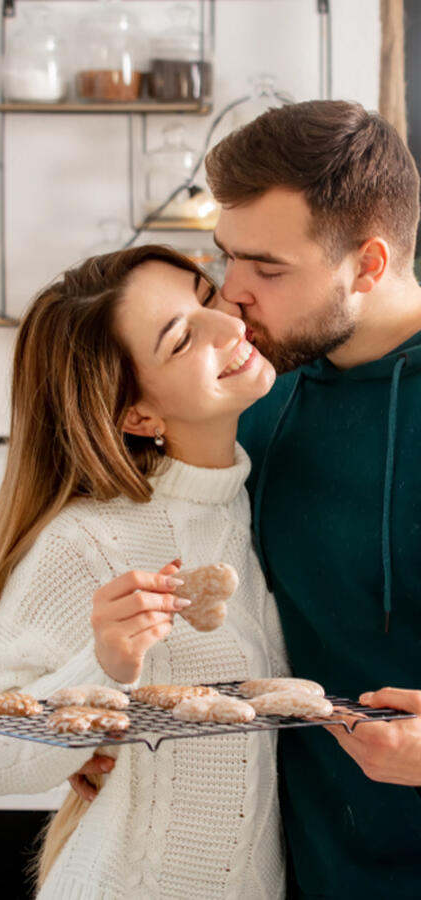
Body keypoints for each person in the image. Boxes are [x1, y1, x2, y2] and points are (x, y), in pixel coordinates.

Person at [0, 243, 290, 899]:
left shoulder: (259, 500)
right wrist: (103, 672)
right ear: (139, 414)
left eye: (205, 293)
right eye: (181, 339)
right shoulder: (89, 538)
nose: (229, 324)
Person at [202, 99, 421, 898]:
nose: (232, 293)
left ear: (368, 263)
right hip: (288, 867)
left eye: (267, 269)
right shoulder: (251, 391)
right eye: (227, 257)